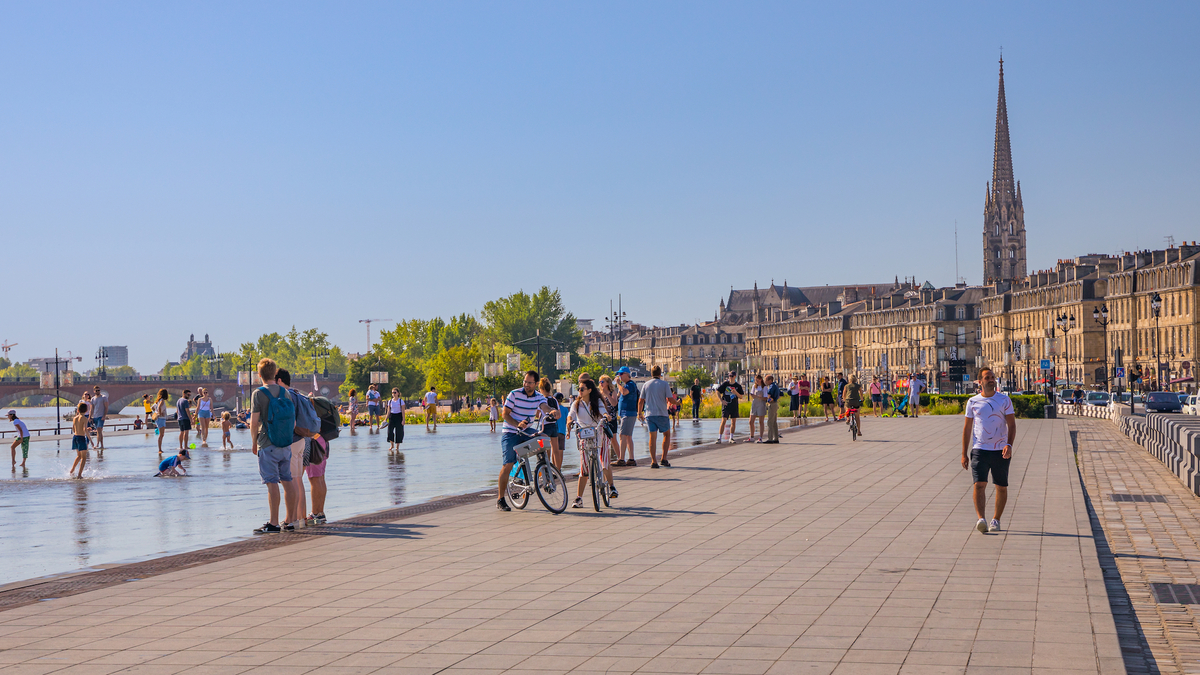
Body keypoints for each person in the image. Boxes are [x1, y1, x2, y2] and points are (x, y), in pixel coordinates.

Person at [962, 367, 1016, 534]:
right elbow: (967, 428)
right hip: (979, 449)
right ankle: (981, 519)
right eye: (987, 377)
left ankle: (996, 519)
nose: (991, 380)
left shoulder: (1004, 400)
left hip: (1000, 450)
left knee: (1001, 486)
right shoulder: (973, 402)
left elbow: (1012, 425)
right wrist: (964, 453)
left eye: (992, 377)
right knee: (979, 484)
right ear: (980, 382)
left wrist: (1009, 444)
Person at [497, 371, 556, 511]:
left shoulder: (539, 397)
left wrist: (552, 412)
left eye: (530, 383)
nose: (526, 385)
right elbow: (505, 414)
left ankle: (544, 468)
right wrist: (517, 424)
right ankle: (500, 498)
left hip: (526, 431)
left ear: (536, 384)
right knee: (508, 464)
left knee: (544, 439)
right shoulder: (515, 394)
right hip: (510, 432)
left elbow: (544, 407)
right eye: (525, 382)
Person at [251, 358, 297, 534]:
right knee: (287, 480)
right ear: (274, 373)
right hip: (286, 444)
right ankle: (290, 521)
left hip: (268, 443)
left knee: (272, 483)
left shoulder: (258, 393)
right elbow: (292, 420)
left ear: (259, 375)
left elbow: (254, 422)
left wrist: (254, 442)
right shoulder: (285, 393)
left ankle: (274, 523)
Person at [569, 378, 618, 507]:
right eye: (579, 389)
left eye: (582, 389)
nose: (579, 391)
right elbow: (571, 414)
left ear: (590, 390)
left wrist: (606, 416)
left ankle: (612, 487)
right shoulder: (576, 404)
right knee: (584, 467)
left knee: (604, 461)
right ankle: (579, 498)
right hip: (584, 436)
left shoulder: (597, 402)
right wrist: (569, 421)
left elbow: (603, 411)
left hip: (598, 433)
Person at [275, 369, 308, 530]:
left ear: (280, 381)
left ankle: (291, 519)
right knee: (298, 480)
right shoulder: (297, 393)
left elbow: (290, 422)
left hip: (292, 441)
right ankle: (301, 517)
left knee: (291, 480)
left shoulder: (286, 396)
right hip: (302, 440)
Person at [638, 366, 677, 468]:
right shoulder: (664, 384)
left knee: (652, 437)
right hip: (662, 413)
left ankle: (653, 461)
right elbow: (669, 399)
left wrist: (639, 413)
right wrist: (677, 403)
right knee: (667, 435)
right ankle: (663, 458)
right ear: (660, 374)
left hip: (650, 414)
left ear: (651, 374)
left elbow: (641, 400)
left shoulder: (646, 384)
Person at [614, 367, 640, 466]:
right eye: (619, 374)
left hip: (628, 413)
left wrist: (618, 384)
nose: (619, 376)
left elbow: (624, 392)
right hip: (626, 413)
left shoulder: (630, 384)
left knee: (622, 435)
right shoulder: (626, 385)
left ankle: (621, 459)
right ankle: (631, 459)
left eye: (621, 374)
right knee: (628, 436)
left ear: (627, 374)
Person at [538, 379, 563, 469]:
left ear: (542, 389)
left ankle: (547, 470)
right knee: (555, 450)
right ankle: (557, 470)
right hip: (553, 426)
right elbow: (558, 414)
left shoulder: (542, 400)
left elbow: (537, 414)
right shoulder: (554, 400)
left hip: (544, 426)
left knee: (546, 450)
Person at [716, 372, 744, 442]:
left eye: (731, 376)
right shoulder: (725, 384)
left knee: (733, 422)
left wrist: (736, 392)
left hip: (734, 405)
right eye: (729, 376)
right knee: (723, 421)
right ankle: (719, 438)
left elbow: (741, 396)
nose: (730, 377)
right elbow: (718, 391)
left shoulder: (738, 386)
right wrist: (721, 400)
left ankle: (731, 437)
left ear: (735, 376)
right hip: (726, 405)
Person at [598, 375, 620, 464]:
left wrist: (607, 394)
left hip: (612, 419)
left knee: (613, 439)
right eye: (599, 382)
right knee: (602, 440)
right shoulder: (599, 393)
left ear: (607, 382)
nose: (601, 384)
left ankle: (620, 458)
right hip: (603, 419)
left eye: (602, 382)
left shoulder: (612, 392)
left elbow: (614, 404)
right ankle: (603, 459)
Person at [69, 403, 89, 478]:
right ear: (86, 410)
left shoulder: (75, 418)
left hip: (75, 437)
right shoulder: (84, 418)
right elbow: (85, 429)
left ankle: (72, 470)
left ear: (78, 410)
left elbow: (73, 429)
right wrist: (91, 440)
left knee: (79, 456)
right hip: (81, 438)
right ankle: (79, 475)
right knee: (84, 458)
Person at [748, 374, 768, 443]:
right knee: (751, 421)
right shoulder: (754, 386)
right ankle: (752, 436)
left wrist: (760, 397)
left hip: (761, 404)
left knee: (761, 421)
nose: (756, 381)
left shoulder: (764, 387)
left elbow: (765, 398)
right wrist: (754, 396)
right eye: (755, 379)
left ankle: (760, 437)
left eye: (757, 379)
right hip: (755, 404)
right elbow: (752, 394)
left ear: (760, 379)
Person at [90, 385, 109, 450]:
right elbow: (91, 409)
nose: (98, 391)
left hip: (101, 416)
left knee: (99, 429)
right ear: (94, 391)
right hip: (95, 416)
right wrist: (90, 417)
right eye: (96, 390)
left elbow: (106, 407)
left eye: (99, 390)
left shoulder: (104, 397)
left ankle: (98, 444)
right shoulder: (93, 399)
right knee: (99, 431)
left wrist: (104, 416)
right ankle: (101, 445)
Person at [764, 375, 781, 443]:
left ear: (770, 380)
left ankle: (770, 438)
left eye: (766, 380)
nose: (766, 382)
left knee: (770, 422)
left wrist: (767, 399)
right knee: (774, 422)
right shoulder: (776, 386)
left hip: (772, 404)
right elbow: (780, 394)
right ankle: (776, 438)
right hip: (775, 404)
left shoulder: (771, 386)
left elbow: (769, 395)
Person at [152, 389, 170, 453]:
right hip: (161, 418)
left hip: (159, 419)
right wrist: (159, 413)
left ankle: (160, 448)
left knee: (161, 434)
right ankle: (159, 449)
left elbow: (153, 407)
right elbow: (159, 407)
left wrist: (155, 412)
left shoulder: (158, 401)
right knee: (161, 434)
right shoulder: (162, 401)